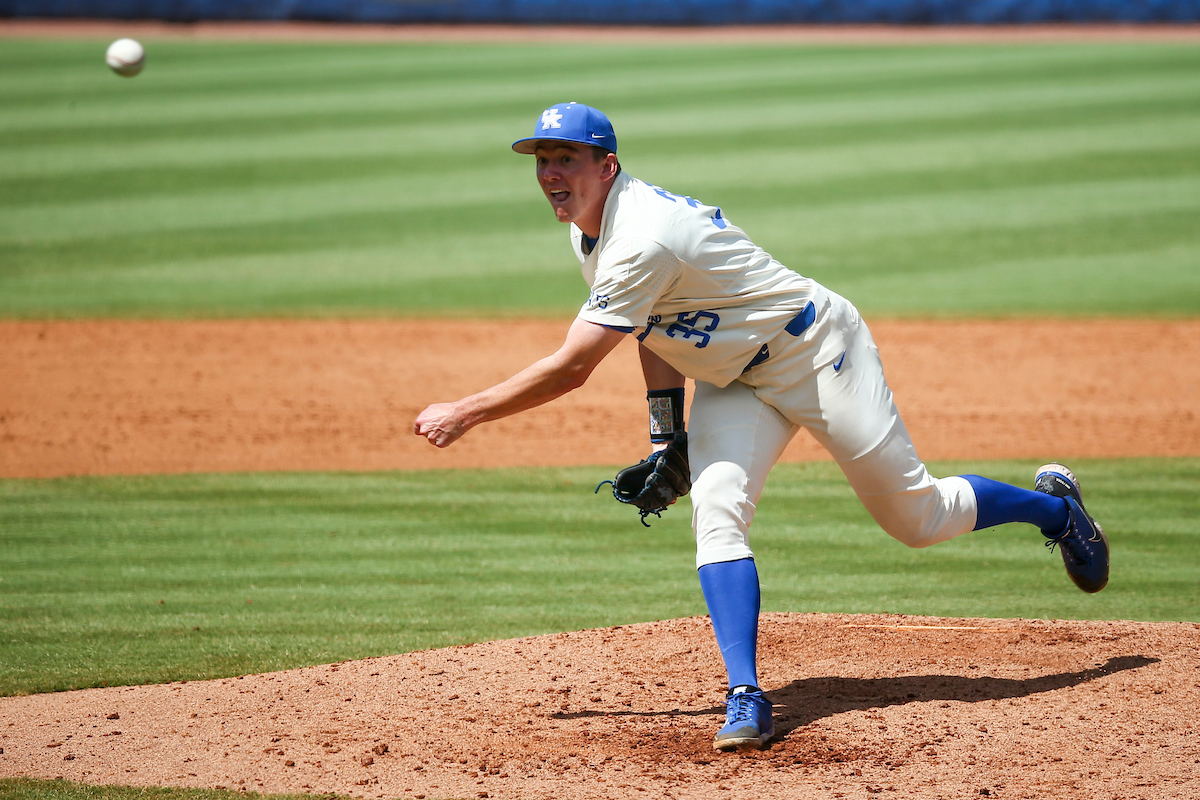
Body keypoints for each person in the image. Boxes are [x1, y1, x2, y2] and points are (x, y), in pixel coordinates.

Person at [414, 102, 1110, 752]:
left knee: (916, 518)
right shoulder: (590, 230)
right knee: (717, 517)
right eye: (541, 160)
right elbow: (650, 327)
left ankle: (1055, 511)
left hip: (816, 354)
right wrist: (667, 435)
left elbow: (572, 369)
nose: (550, 174)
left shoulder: (642, 237)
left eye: (567, 157)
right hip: (735, 380)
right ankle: (746, 694)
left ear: (608, 165)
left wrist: (465, 411)